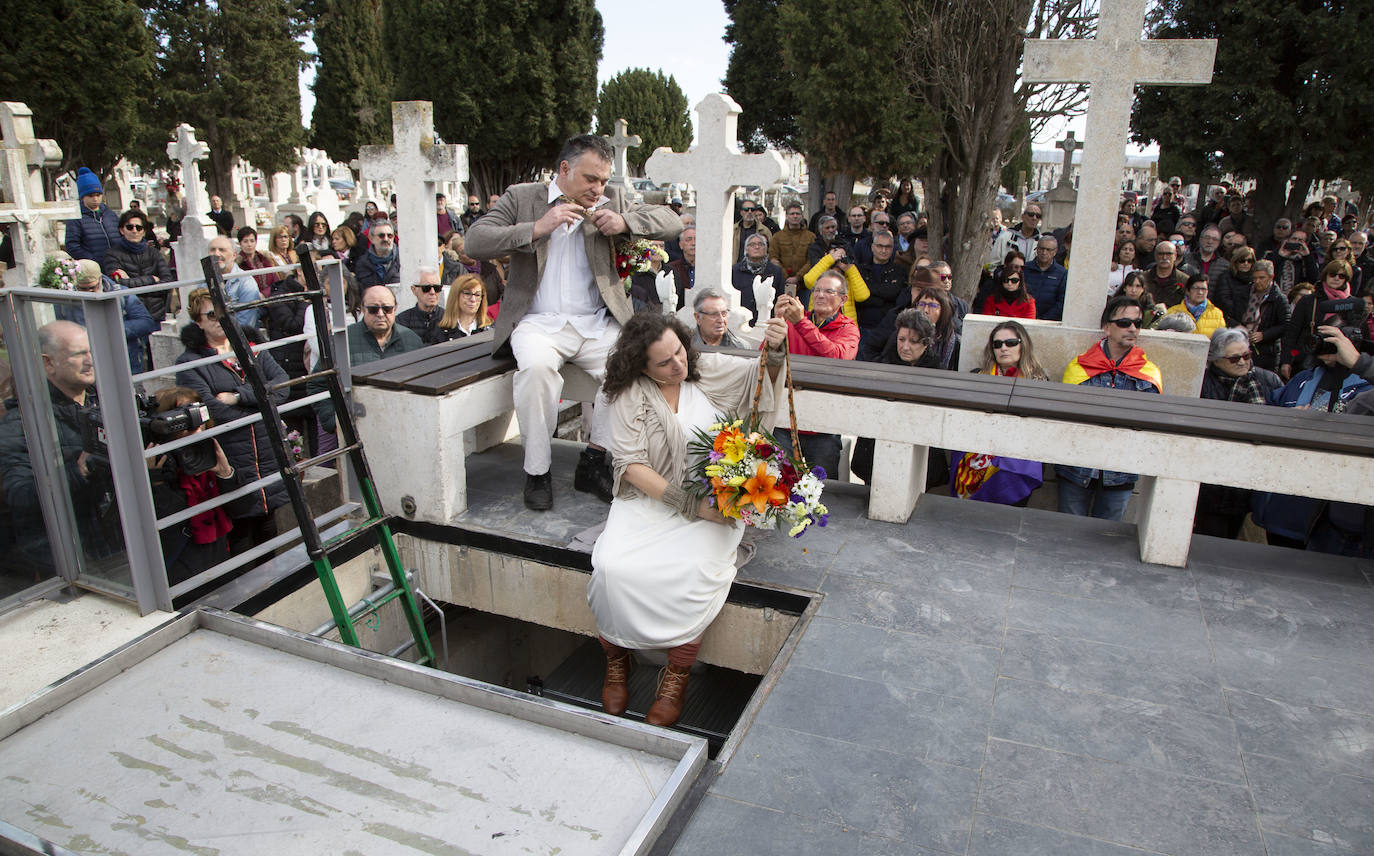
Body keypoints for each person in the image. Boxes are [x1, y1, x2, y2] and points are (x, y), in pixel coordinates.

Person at [464, 134, 682, 511]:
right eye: (590, 179)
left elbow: (672, 222)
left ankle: (594, 461)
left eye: (603, 180)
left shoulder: (610, 200)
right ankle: (537, 471)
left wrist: (624, 220)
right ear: (564, 170)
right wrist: (536, 228)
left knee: (631, 371)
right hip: (536, 322)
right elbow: (475, 241)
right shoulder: (522, 197)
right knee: (534, 371)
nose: (598, 188)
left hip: (597, 323)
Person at [590, 313, 786, 726]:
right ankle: (616, 661)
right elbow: (630, 468)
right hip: (650, 501)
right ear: (641, 366)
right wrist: (690, 505)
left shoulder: (705, 371)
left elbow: (759, 378)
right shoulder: (629, 394)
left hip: (715, 505)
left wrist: (778, 346)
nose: (678, 364)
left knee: (695, 569)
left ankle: (675, 675)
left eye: (679, 351)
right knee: (610, 567)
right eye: (664, 362)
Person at [174, 288, 290, 554]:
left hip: (266, 452)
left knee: (268, 525)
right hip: (232, 455)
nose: (221, 319)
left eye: (227, 312)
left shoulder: (252, 350)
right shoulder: (189, 363)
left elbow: (283, 386)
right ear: (198, 322)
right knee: (238, 533)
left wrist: (239, 397)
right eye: (212, 314)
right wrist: (262, 406)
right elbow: (213, 410)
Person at [1057, 295, 1162, 520]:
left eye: (1138, 323)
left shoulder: (1148, 372)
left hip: (1121, 470)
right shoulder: (1080, 367)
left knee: (1107, 539)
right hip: (1077, 468)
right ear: (1107, 328)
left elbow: (1147, 425)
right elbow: (1066, 420)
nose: (1132, 328)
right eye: (1124, 323)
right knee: (1067, 533)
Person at [310, 285, 424, 455]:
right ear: (362, 309)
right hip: (356, 435)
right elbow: (317, 385)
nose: (380, 314)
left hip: (401, 433)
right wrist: (335, 421)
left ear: (395, 309)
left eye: (387, 308)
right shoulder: (342, 342)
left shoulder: (411, 341)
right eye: (373, 309)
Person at [1192, 328, 1283, 539]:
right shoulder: (1202, 384)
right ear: (1215, 360)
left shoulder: (1269, 381)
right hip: (1213, 483)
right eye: (1234, 358)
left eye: (1246, 355)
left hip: (1253, 480)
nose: (1242, 362)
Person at [949, 321, 1047, 506]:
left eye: (1010, 343)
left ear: (1022, 344)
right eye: (997, 344)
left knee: (1011, 471)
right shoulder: (978, 376)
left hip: (1016, 452)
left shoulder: (1038, 382)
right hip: (978, 446)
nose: (1003, 348)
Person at [770, 271, 858, 477]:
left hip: (823, 424)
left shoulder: (848, 328)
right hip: (787, 419)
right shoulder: (792, 321)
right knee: (778, 483)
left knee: (823, 488)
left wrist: (801, 323)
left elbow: (837, 357)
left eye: (828, 291)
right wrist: (778, 323)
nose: (819, 295)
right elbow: (766, 359)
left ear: (843, 299)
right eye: (816, 290)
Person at [146, 386, 237, 583]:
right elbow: (169, 521)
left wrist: (226, 474)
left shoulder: (209, 454)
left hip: (220, 561)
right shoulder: (161, 465)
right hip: (183, 571)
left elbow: (243, 508)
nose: (196, 429)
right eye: (184, 422)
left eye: (199, 420)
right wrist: (156, 479)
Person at [848, 309, 941, 484]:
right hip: (877, 445)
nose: (905, 347)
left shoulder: (937, 372)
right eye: (901, 339)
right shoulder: (883, 364)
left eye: (913, 342)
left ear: (926, 344)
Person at [55, 259, 158, 374]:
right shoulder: (67, 302)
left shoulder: (121, 294)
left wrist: (110, 330)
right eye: (83, 289)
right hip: (88, 365)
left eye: (92, 288)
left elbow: (146, 323)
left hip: (125, 362)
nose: (89, 293)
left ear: (100, 280)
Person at [1281, 259, 1365, 379]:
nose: (1336, 278)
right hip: (1307, 358)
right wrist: (1286, 361)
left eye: (1341, 276)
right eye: (1332, 274)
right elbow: (1292, 332)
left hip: (1338, 362)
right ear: (1325, 275)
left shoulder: (1352, 304)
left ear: (1346, 279)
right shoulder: (1308, 301)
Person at [102, 208, 173, 319]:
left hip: (158, 313)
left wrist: (133, 284)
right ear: (121, 230)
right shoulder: (112, 255)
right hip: (131, 314)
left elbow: (168, 282)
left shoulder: (154, 253)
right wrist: (152, 280)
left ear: (144, 232)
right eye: (129, 227)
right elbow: (118, 285)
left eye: (139, 228)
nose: (134, 231)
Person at [64, 168, 121, 266]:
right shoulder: (76, 218)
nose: (95, 199)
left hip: (118, 264)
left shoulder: (110, 214)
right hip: (95, 267)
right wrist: (92, 260)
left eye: (98, 195)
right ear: (83, 197)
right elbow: (72, 246)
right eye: (90, 195)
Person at [207, 235, 264, 331]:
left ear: (234, 255)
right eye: (212, 249)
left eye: (222, 250)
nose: (216, 254)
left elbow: (246, 324)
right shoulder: (204, 282)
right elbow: (196, 317)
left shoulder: (246, 282)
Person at [730, 234, 786, 324]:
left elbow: (781, 296)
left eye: (760, 244)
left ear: (766, 249)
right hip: (740, 322)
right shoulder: (735, 270)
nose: (756, 247)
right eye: (752, 245)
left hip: (767, 321)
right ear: (746, 249)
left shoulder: (775, 271)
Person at [769, 202, 814, 293]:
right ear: (787, 216)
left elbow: (811, 260)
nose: (795, 216)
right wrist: (787, 277)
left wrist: (798, 277)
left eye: (798, 214)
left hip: (804, 285)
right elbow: (773, 258)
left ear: (802, 216)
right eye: (792, 214)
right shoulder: (777, 237)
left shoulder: (811, 237)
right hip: (783, 283)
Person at [395, 266, 447, 344]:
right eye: (426, 288)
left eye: (437, 288)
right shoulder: (401, 321)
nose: (432, 292)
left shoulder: (449, 318)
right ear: (414, 290)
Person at [433, 274, 492, 341]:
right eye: (467, 293)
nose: (473, 299)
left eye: (477, 295)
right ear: (455, 296)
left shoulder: (490, 331)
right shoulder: (439, 331)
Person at [1022, 236, 1067, 321]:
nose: (1044, 252)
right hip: (1025, 318)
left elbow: (1061, 301)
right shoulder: (1025, 268)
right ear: (1037, 249)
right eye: (1041, 248)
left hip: (1049, 321)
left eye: (1048, 250)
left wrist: (1044, 319)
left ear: (1055, 252)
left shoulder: (1062, 273)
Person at [1168, 274, 1226, 339]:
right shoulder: (1173, 312)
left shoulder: (1216, 314)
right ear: (1187, 291)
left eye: (1203, 289)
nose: (1200, 292)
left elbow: (1221, 340)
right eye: (1196, 288)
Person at [355, 221, 400, 288]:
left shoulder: (403, 260)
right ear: (371, 238)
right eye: (381, 236)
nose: (386, 239)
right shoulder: (362, 263)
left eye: (390, 235)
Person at [235, 226, 275, 297]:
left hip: (271, 297)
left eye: (252, 241)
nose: (249, 245)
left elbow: (275, 281)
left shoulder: (264, 258)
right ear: (240, 244)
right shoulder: (237, 264)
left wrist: (264, 294)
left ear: (256, 242)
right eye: (245, 241)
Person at [666, 226, 696, 304]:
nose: (693, 243)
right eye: (688, 240)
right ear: (681, 245)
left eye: (696, 239)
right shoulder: (672, 269)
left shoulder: (708, 268)